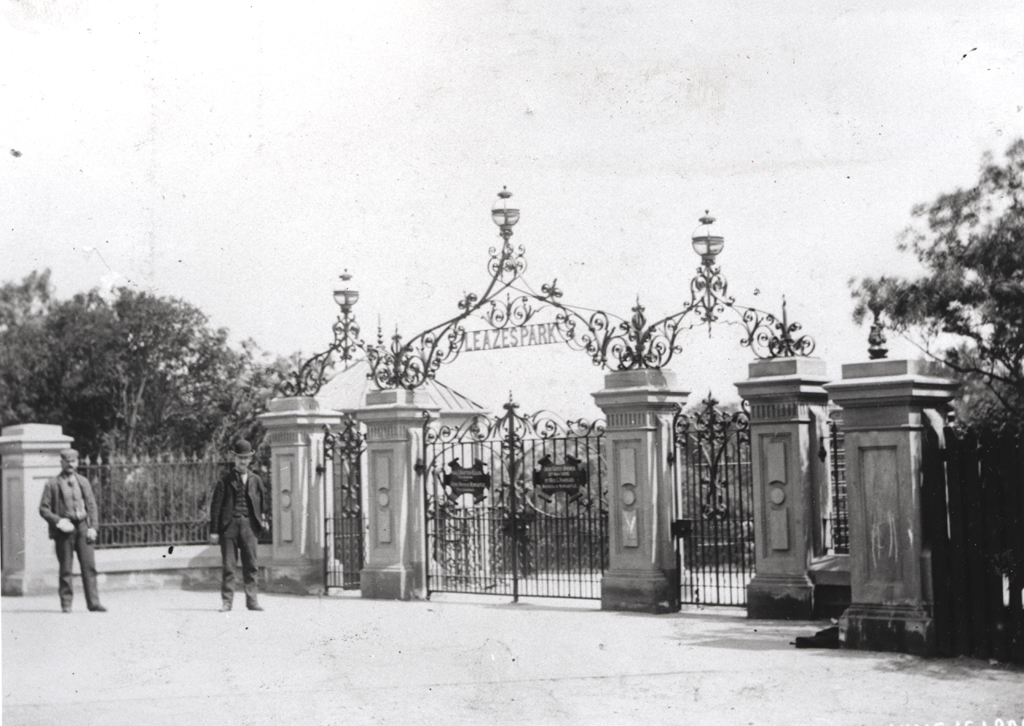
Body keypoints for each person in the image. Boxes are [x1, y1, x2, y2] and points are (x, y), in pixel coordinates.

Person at [39, 448, 106, 613]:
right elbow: (43, 508)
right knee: (66, 568)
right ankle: (66, 604)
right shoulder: (52, 484)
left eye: (73, 461)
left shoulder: (83, 481)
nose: (70, 464)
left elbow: (91, 505)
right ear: (61, 462)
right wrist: (58, 521)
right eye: (67, 461)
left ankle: (93, 603)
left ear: (77, 462)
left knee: (89, 567)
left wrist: (93, 528)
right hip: (65, 530)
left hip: (83, 527)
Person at [209, 440, 268, 611]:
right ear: (234, 458)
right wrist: (214, 531)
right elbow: (216, 508)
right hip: (229, 527)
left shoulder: (256, 480)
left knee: (251, 565)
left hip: (249, 527)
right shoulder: (224, 481)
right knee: (229, 566)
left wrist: (261, 519)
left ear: (250, 459)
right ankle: (227, 602)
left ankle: (252, 601)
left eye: (246, 458)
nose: (243, 462)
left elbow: (262, 502)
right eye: (240, 458)